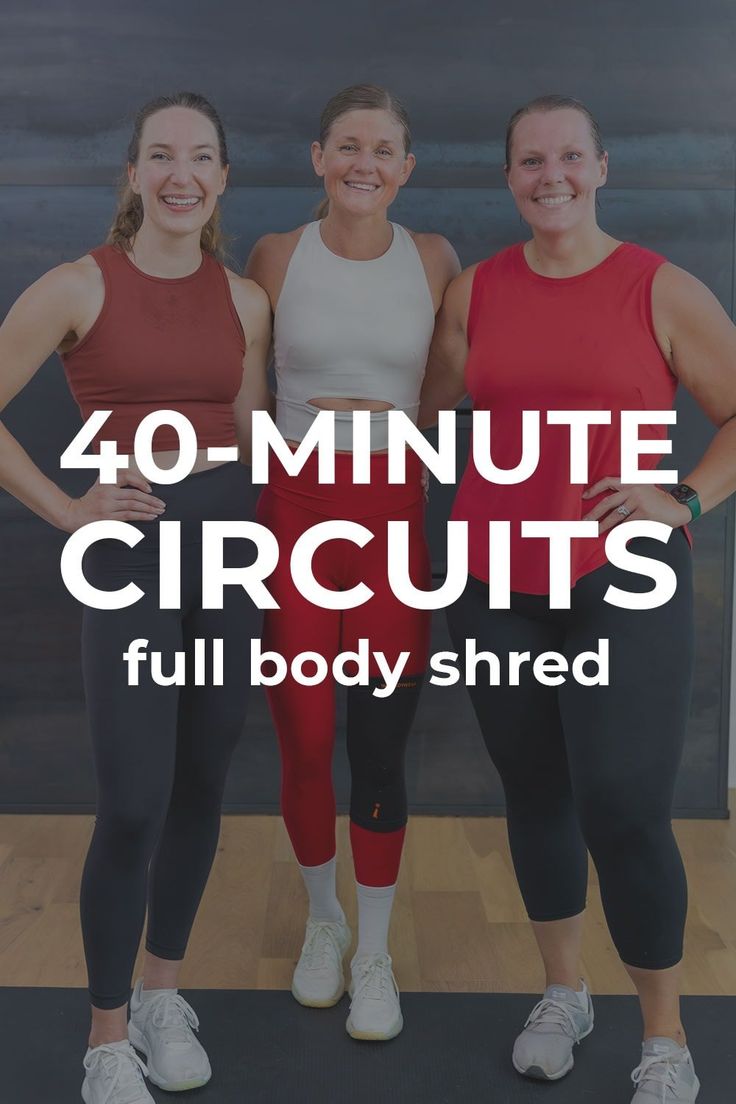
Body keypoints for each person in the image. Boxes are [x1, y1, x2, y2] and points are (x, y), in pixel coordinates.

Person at [419, 94, 736, 1103]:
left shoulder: (660, 288)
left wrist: (682, 493)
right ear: (508, 177)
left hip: (622, 580)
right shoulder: (474, 292)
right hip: (493, 581)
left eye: (566, 157)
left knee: (627, 810)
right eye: (527, 160)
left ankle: (664, 1037)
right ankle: (564, 994)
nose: (547, 175)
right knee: (538, 794)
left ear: (601, 167)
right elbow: (436, 417)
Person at [0, 92, 271, 1103]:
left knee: (203, 786)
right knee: (133, 803)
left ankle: (163, 996)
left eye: (200, 157)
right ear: (132, 173)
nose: (180, 174)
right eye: (160, 156)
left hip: (227, 561)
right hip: (134, 566)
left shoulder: (246, 300)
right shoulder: (78, 286)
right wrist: (69, 511)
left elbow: (242, 438)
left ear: (222, 179)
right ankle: (106, 1038)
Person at [246, 84, 459, 1041]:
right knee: (301, 734)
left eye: (383, 149)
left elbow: (442, 401)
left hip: (391, 518)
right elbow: (250, 402)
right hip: (292, 511)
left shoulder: (434, 259)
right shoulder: (276, 257)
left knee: (376, 737)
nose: (363, 162)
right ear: (318, 157)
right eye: (346, 146)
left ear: (406, 168)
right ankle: (324, 923)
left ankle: (374, 947)